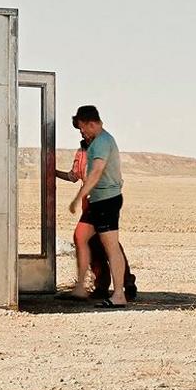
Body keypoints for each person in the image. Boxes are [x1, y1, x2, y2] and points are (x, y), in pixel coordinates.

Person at [57, 117, 136, 301]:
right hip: (90, 203)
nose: (83, 133)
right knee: (93, 242)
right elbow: (73, 176)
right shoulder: (82, 152)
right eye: (81, 131)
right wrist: (52, 172)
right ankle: (102, 284)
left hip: (102, 199)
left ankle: (126, 284)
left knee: (107, 242)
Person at [68, 106, 127, 306]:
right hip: (97, 200)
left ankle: (119, 294)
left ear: (92, 124)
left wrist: (78, 197)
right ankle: (80, 288)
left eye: (83, 128)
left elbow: (96, 172)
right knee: (80, 236)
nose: (82, 133)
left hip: (107, 200)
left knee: (111, 247)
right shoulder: (97, 142)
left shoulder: (102, 142)